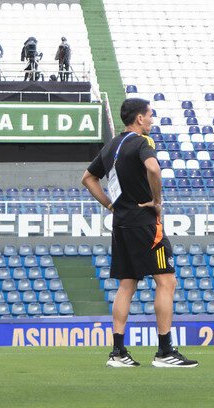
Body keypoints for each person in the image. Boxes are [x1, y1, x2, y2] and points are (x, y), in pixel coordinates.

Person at [79, 97, 197, 369]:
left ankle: (118, 352)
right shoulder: (141, 143)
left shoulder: (110, 146)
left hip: (121, 222)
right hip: (144, 223)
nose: (152, 120)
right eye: (150, 116)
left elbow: (87, 178)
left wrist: (110, 205)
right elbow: (153, 168)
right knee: (166, 282)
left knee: (126, 285)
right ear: (140, 119)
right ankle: (165, 351)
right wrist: (157, 201)